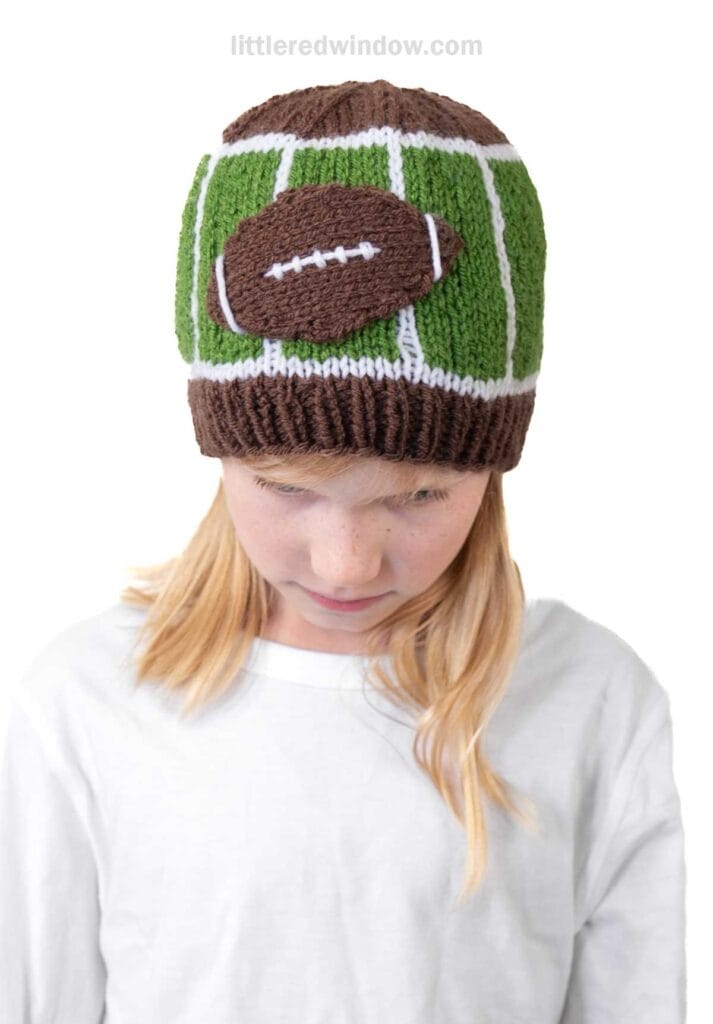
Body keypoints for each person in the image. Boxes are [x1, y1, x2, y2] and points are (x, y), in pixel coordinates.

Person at [0, 79, 686, 1022]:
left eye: (418, 496)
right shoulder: (84, 703)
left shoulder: (591, 701)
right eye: (285, 489)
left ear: (492, 469)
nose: (345, 563)